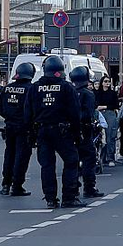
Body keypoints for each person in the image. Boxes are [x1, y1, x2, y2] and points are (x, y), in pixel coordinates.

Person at [25, 56, 82, 208]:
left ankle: (50, 198)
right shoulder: (66, 87)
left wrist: (30, 134)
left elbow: (28, 112)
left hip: (42, 130)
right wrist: (78, 134)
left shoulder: (34, 88)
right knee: (71, 161)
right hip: (62, 131)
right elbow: (75, 113)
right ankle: (69, 197)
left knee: (47, 165)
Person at [69, 66, 105, 199]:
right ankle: (89, 188)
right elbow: (89, 113)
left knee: (72, 161)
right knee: (89, 159)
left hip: (70, 130)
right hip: (84, 130)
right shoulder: (88, 94)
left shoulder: (70, 91)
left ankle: (73, 188)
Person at [0, 62, 35, 196]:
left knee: (9, 154)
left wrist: (9, 118)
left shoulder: (7, 88)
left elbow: (1, 108)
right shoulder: (30, 89)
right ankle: (17, 185)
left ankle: (5, 184)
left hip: (9, 126)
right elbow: (32, 109)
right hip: (24, 127)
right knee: (22, 156)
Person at [95, 75, 119, 167]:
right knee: (100, 136)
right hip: (99, 114)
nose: (107, 83)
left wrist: (104, 107)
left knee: (110, 137)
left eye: (108, 81)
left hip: (110, 114)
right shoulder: (97, 93)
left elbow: (115, 105)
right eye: (105, 81)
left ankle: (110, 158)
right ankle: (101, 158)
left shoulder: (112, 93)